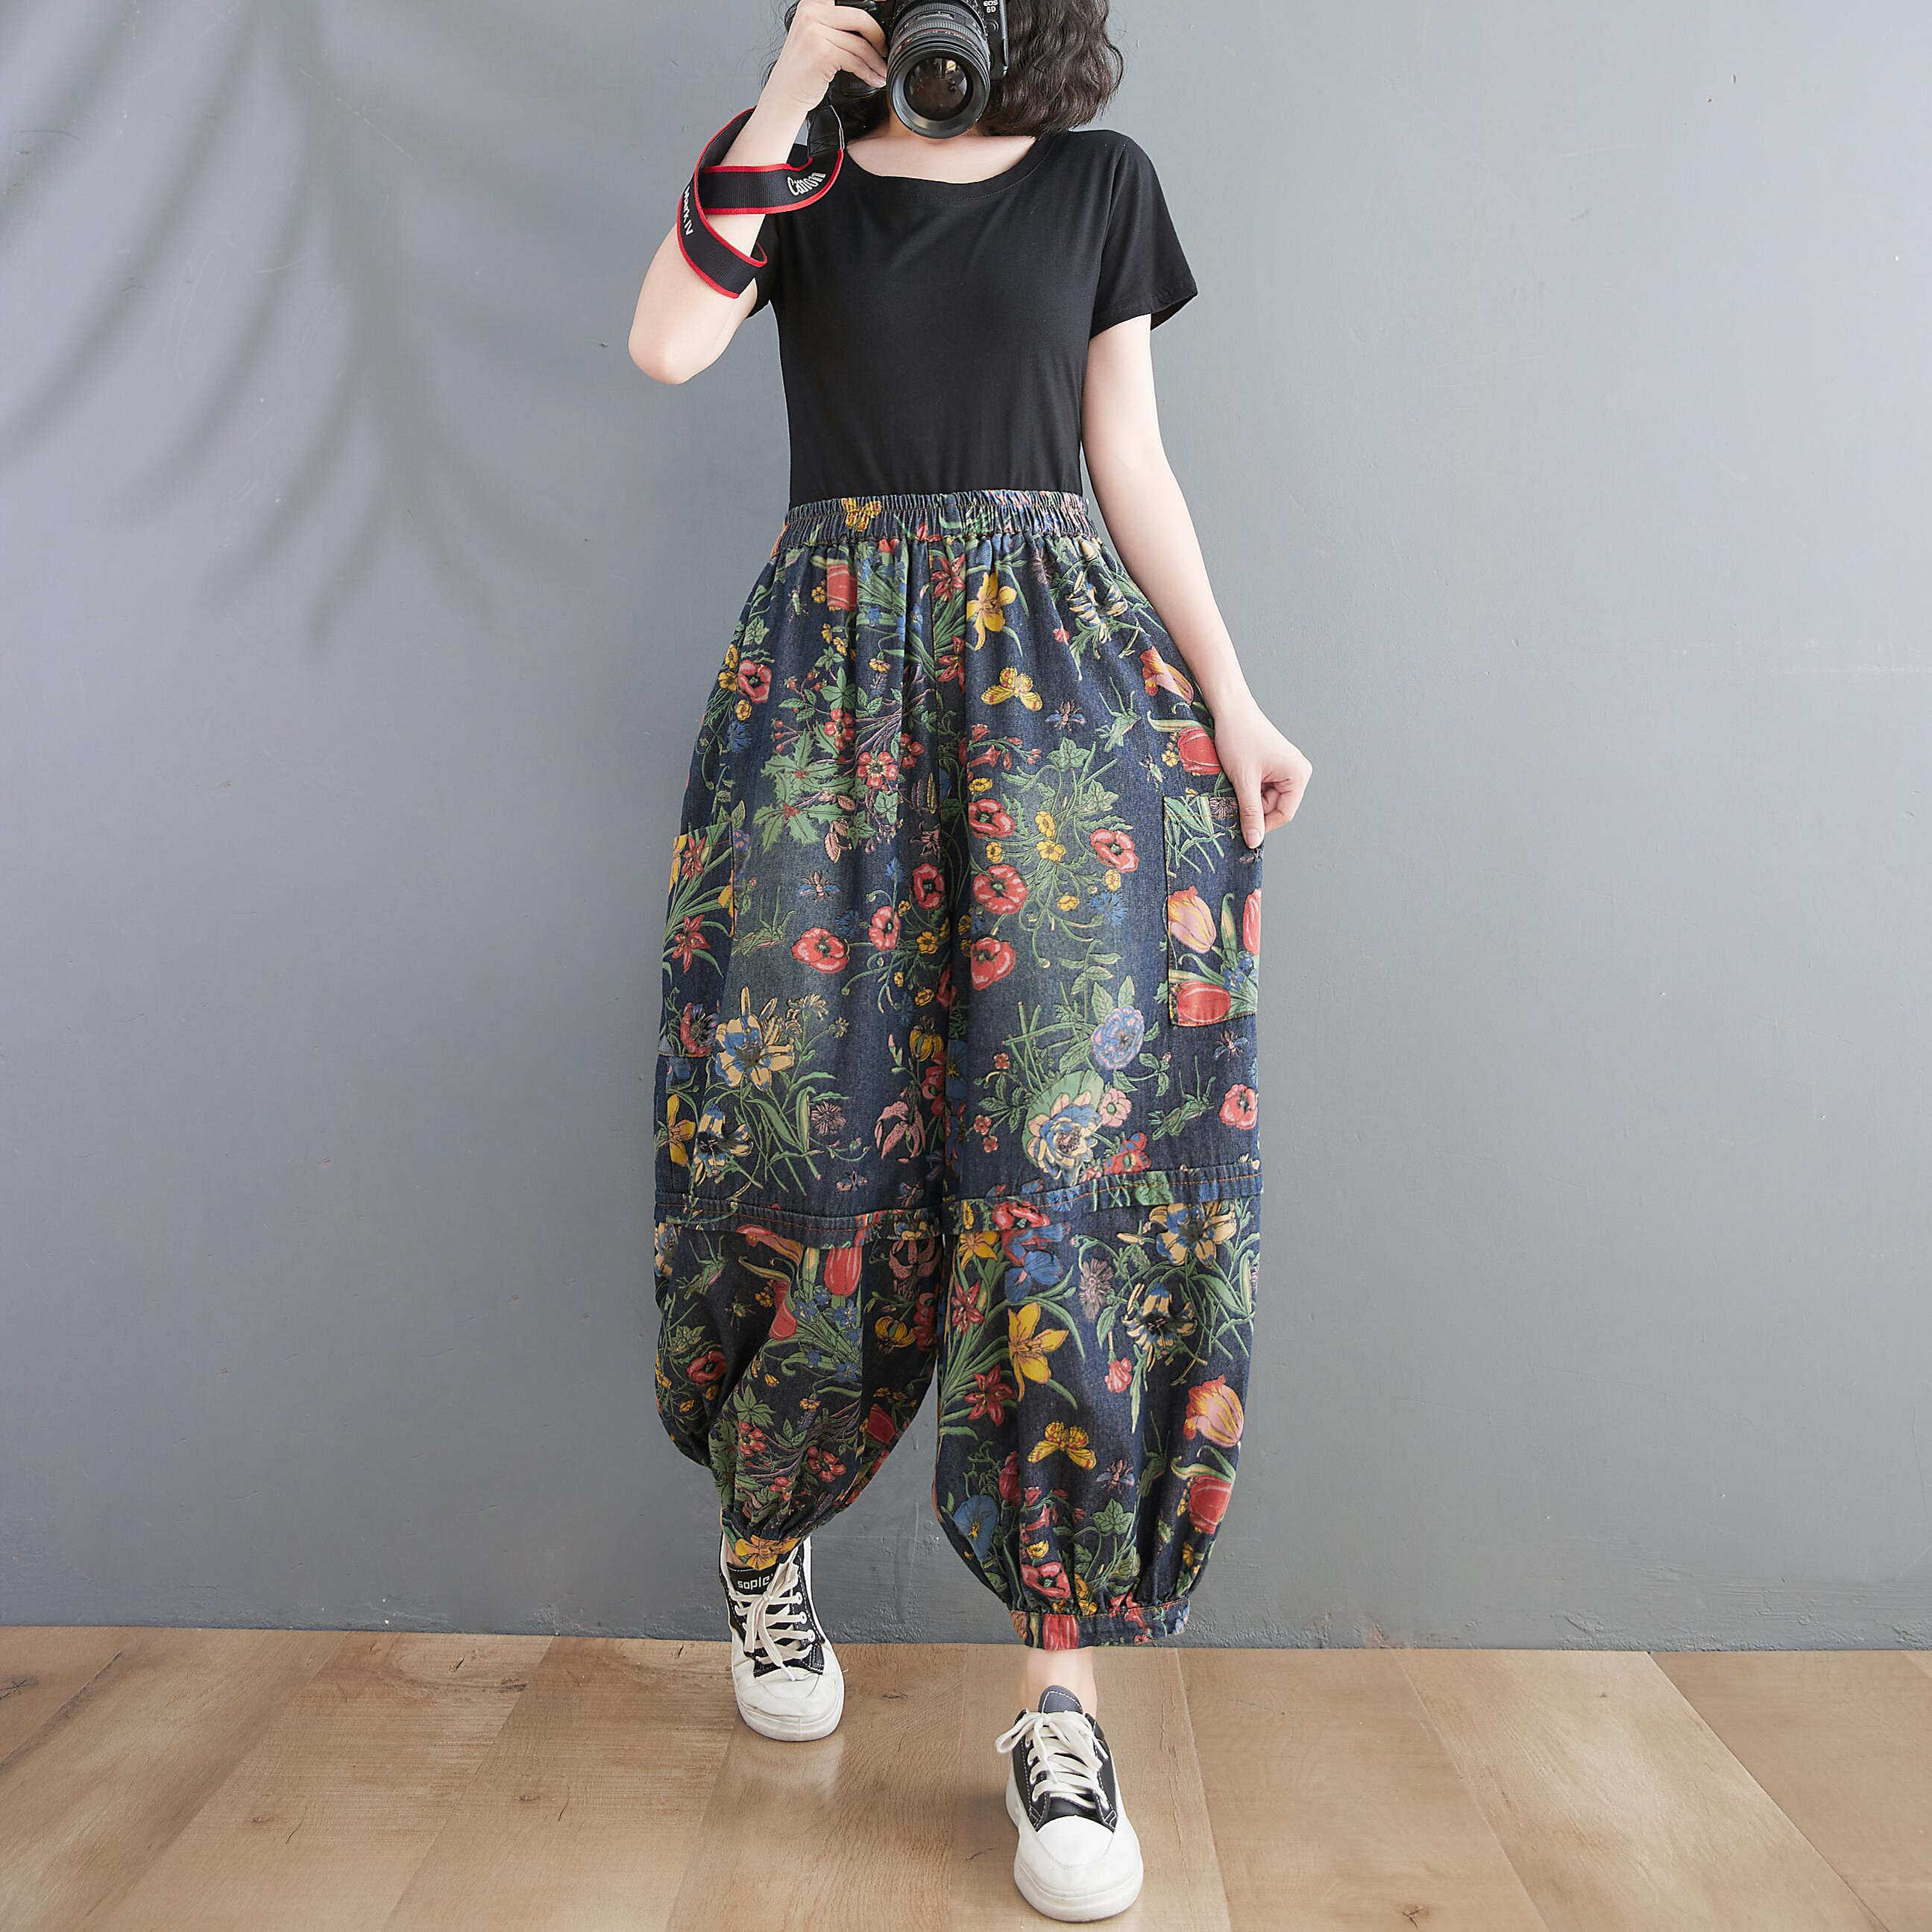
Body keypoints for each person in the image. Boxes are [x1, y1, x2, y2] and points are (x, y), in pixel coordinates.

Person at [627, 2, 1311, 1918]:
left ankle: (1058, 1714)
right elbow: (667, 343)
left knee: (1059, 1175)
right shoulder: (796, 172)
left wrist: (1231, 696)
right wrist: (789, 91)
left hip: (1062, 701)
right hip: (825, 691)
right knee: (795, 1134)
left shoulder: (1100, 185)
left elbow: (1127, 456)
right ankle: (764, 1542)